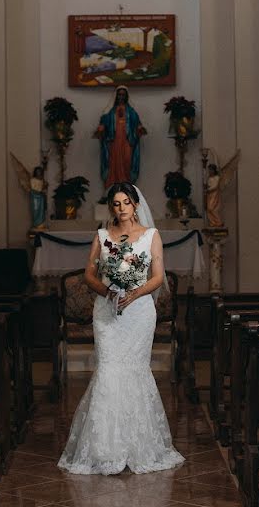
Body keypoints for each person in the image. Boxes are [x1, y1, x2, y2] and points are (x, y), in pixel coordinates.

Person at [58, 182, 184, 475]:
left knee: (135, 370)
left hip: (139, 312)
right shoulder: (102, 236)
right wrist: (108, 291)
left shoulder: (151, 236)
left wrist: (135, 293)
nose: (121, 208)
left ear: (136, 204)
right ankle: (105, 448)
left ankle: (139, 446)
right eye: (116, 203)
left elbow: (157, 277)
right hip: (107, 310)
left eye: (126, 202)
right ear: (111, 207)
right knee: (108, 370)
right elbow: (90, 273)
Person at [94, 86, 147, 187]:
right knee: (114, 162)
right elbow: (104, 122)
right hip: (114, 140)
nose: (121, 97)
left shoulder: (131, 111)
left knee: (127, 160)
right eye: (119, 94)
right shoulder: (110, 111)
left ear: (126, 96)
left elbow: (137, 123)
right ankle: (113, 185)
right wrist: (101, 128)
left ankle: (126, 185)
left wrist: (140, 129)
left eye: (123, 95)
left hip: (127, 140)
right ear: (116, 96)